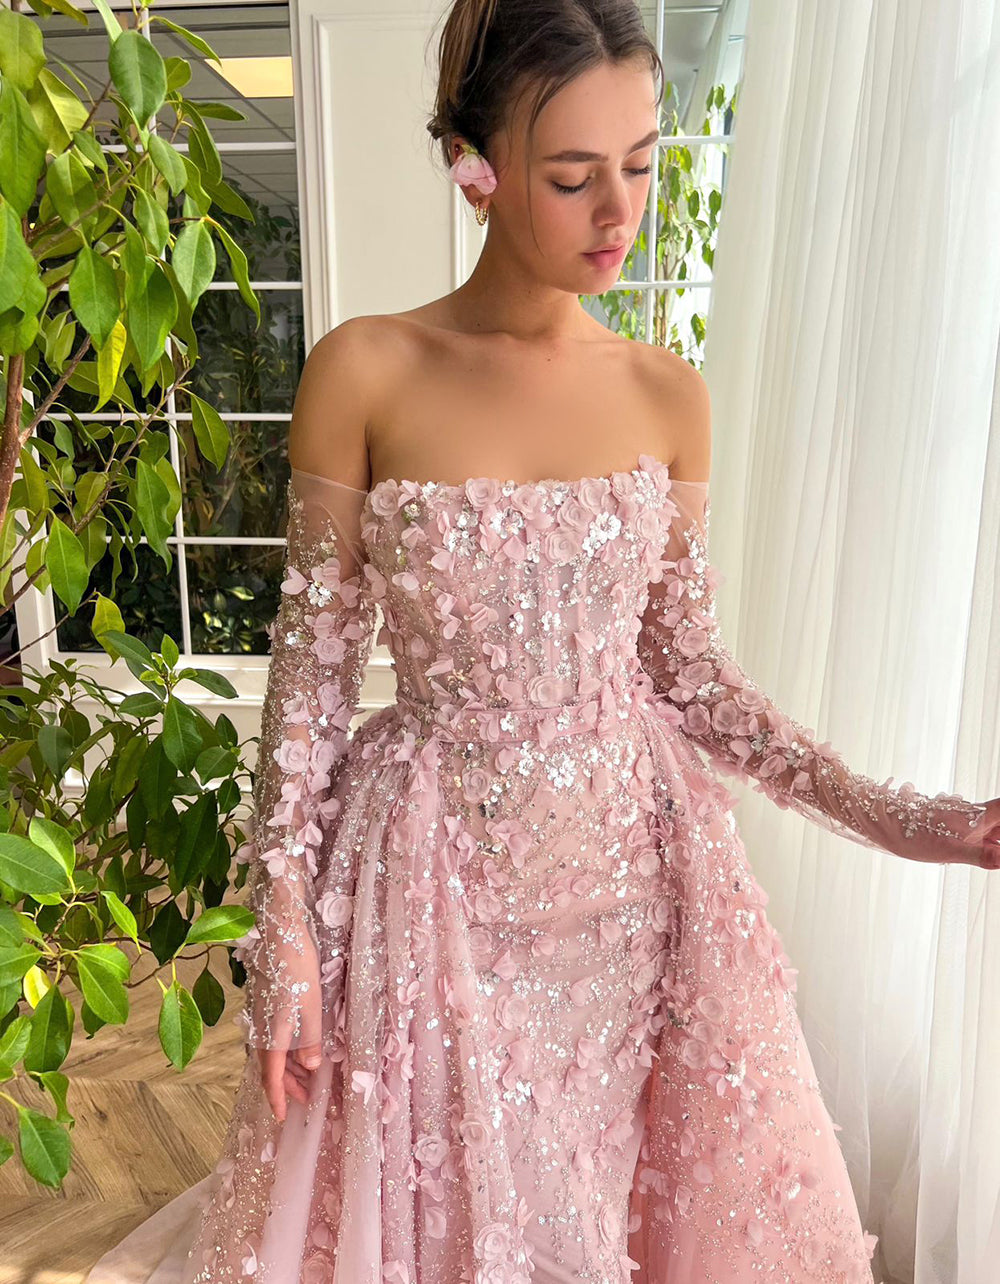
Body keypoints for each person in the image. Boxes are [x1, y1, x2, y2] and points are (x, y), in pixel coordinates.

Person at [83, 2, 1000, 1282]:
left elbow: (690, 679)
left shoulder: (668, 394)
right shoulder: (365, 371)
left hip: (634, 889)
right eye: (573, 178)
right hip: (431, 885)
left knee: (608, 1211)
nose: (619, 212)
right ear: (474, 166)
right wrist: (280, 920)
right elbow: (311, 686)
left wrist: (904, 820)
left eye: (640, 164)